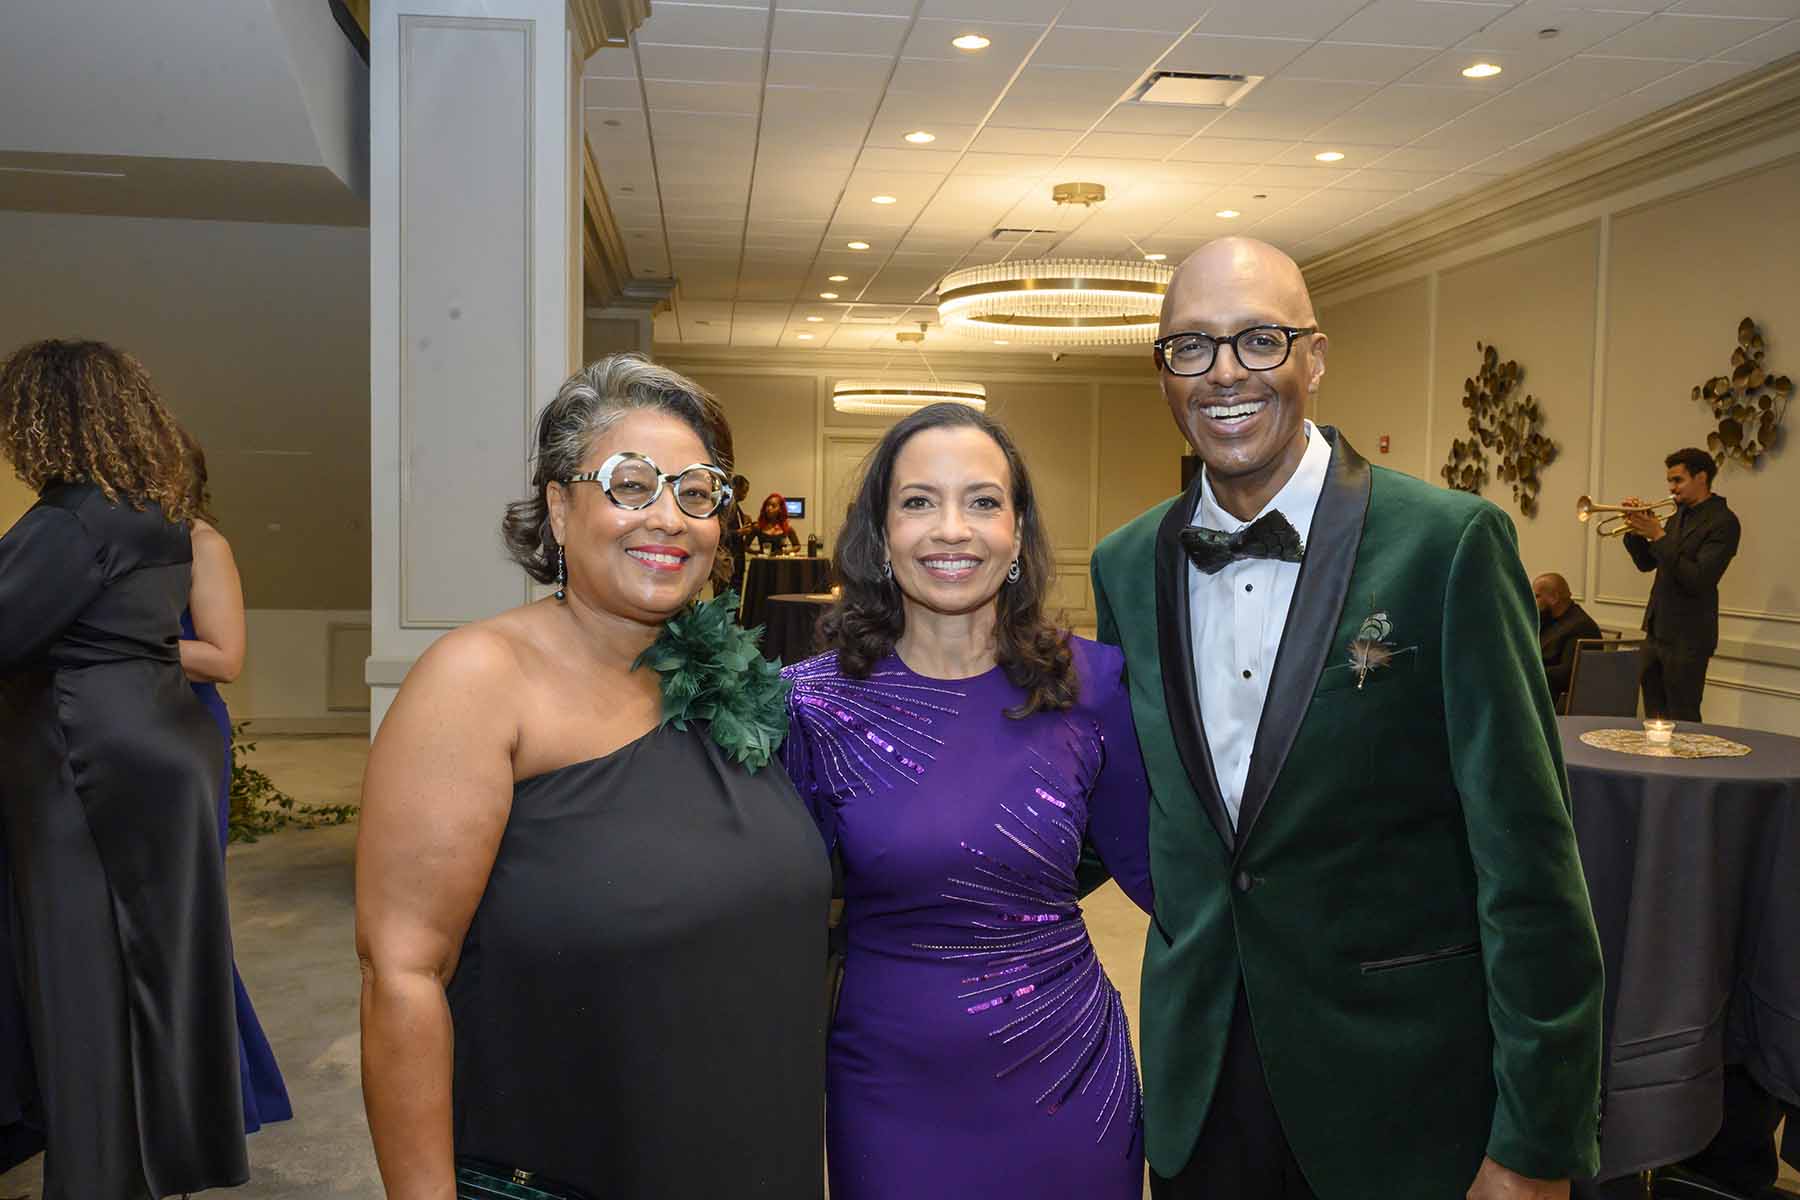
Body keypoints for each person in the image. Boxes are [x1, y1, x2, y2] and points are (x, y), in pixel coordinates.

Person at [1089, 238, 1604, 1200]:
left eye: (1259, 339)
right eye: (1190, 347)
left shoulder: (1449, 546)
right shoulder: (1125, 565)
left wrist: (1540, 1139)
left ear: (1315, 357)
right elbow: (1121, 801)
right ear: (1164, 374)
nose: (1226, 372)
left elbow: (1529, 859)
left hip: (1400, 1088)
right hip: (1201, 1083)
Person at [356, 353, 828, 1200]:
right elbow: (402, 976)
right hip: (565, 1169)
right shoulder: (478, 680)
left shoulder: (726, 677)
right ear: (557, 506)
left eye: (696, 492)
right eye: (632, 483)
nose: (670, 518)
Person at [782, 402, 1154, 1200]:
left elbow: (1178, 886)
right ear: (880, 537)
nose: (952, 529)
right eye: (919, 502)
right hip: (888, 1087)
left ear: (1017, 535)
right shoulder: (811, 706)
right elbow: (773, 908)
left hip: (1068, 1082)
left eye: (983, 502)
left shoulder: (1093, 685)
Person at [0, 339, 247, 1198]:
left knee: (76, 982)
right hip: (163, 747)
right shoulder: (158, 516)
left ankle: (94, 1180)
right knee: (153, 972)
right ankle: (149, 1169)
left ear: (43, 418)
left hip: (84, 757)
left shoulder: (67, 520)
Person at [174, 430, 293, 1136]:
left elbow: (224, 658)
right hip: (109, 741)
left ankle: (226, 1088)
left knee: (189, 911)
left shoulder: (201, 543)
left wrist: (104, 638)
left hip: (185, 735)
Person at [1620, 448, 1741, 721]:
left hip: (1689, 637)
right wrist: (1635, 531)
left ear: (1701, 477)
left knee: (1683, 718)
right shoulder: (1678, 516)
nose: (1672, 488)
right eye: (1670, 481)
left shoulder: (1724, 522)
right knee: (1655, 719)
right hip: (1656, 630)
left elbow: (1698, 579)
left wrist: (1659, 535)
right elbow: (1646, 564)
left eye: (1678, 480)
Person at [1533, 572, 1602, 711]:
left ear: (1554, 597)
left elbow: (1569, 673)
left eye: (1537, 596)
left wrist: (1529, 671)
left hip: (1553, 699)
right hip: (1538, 692)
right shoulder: (1548, 620)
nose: (1533, 601)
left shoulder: (1581, 627)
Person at [753, 490, 801, 554]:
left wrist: (786, 551)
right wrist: (757, 552)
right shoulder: (758, 526)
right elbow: (745, 546)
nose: (769, 508)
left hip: (780, 562)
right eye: (767, 505)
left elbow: (797, 546)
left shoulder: (787, 527)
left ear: (780, 509)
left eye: (773, 506)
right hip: (762, 562)